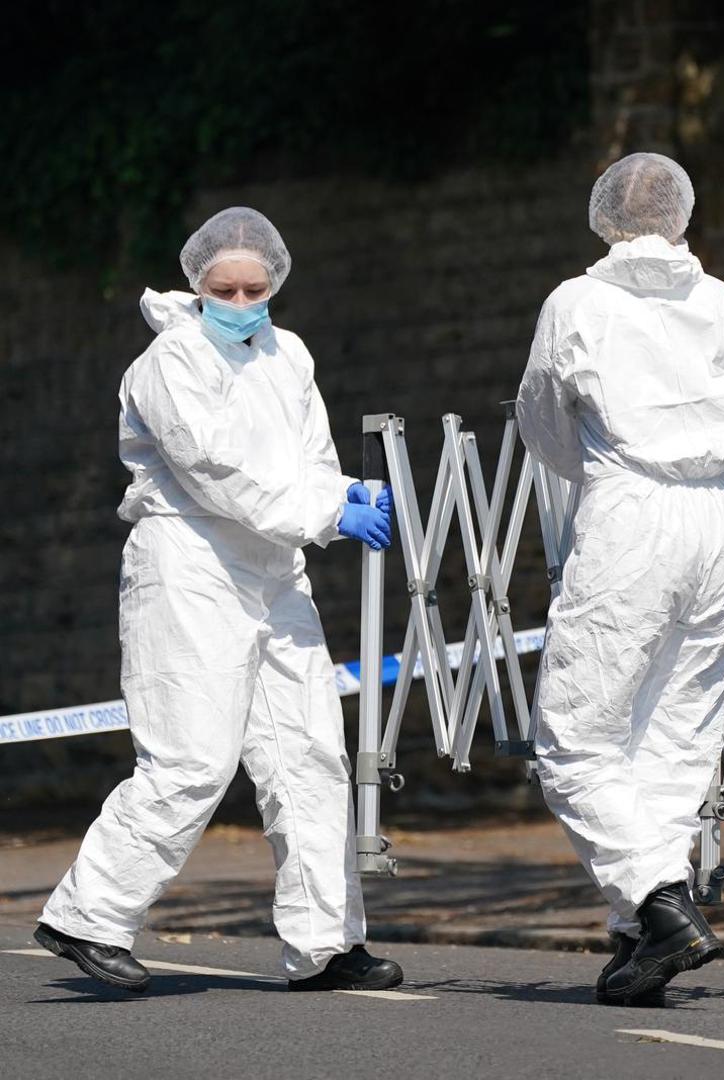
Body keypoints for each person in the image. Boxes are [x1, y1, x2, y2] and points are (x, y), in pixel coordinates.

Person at [35, 207, 402, 994]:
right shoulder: (170, 362)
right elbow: (217, 471)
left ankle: (326, 942)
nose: (241, 301)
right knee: (191, 758)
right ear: (198, 285)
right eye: (224, 288)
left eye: (255, 287)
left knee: (309, 756)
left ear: (276, 283)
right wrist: (328, 514)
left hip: (274, 572)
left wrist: (345, 493)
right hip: (190, 566)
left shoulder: (287, 353)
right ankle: (86, 916)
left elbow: (308, 459)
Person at [516, 152, 724, 1006]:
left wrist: (598, 469)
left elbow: (543, 420)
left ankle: (661, 903)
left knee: (576, 738)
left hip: (631, 514)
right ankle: (638, 936)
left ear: (602, 219)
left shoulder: (577, 303)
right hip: (723, 521)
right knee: (676, 736)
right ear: (682, 216)